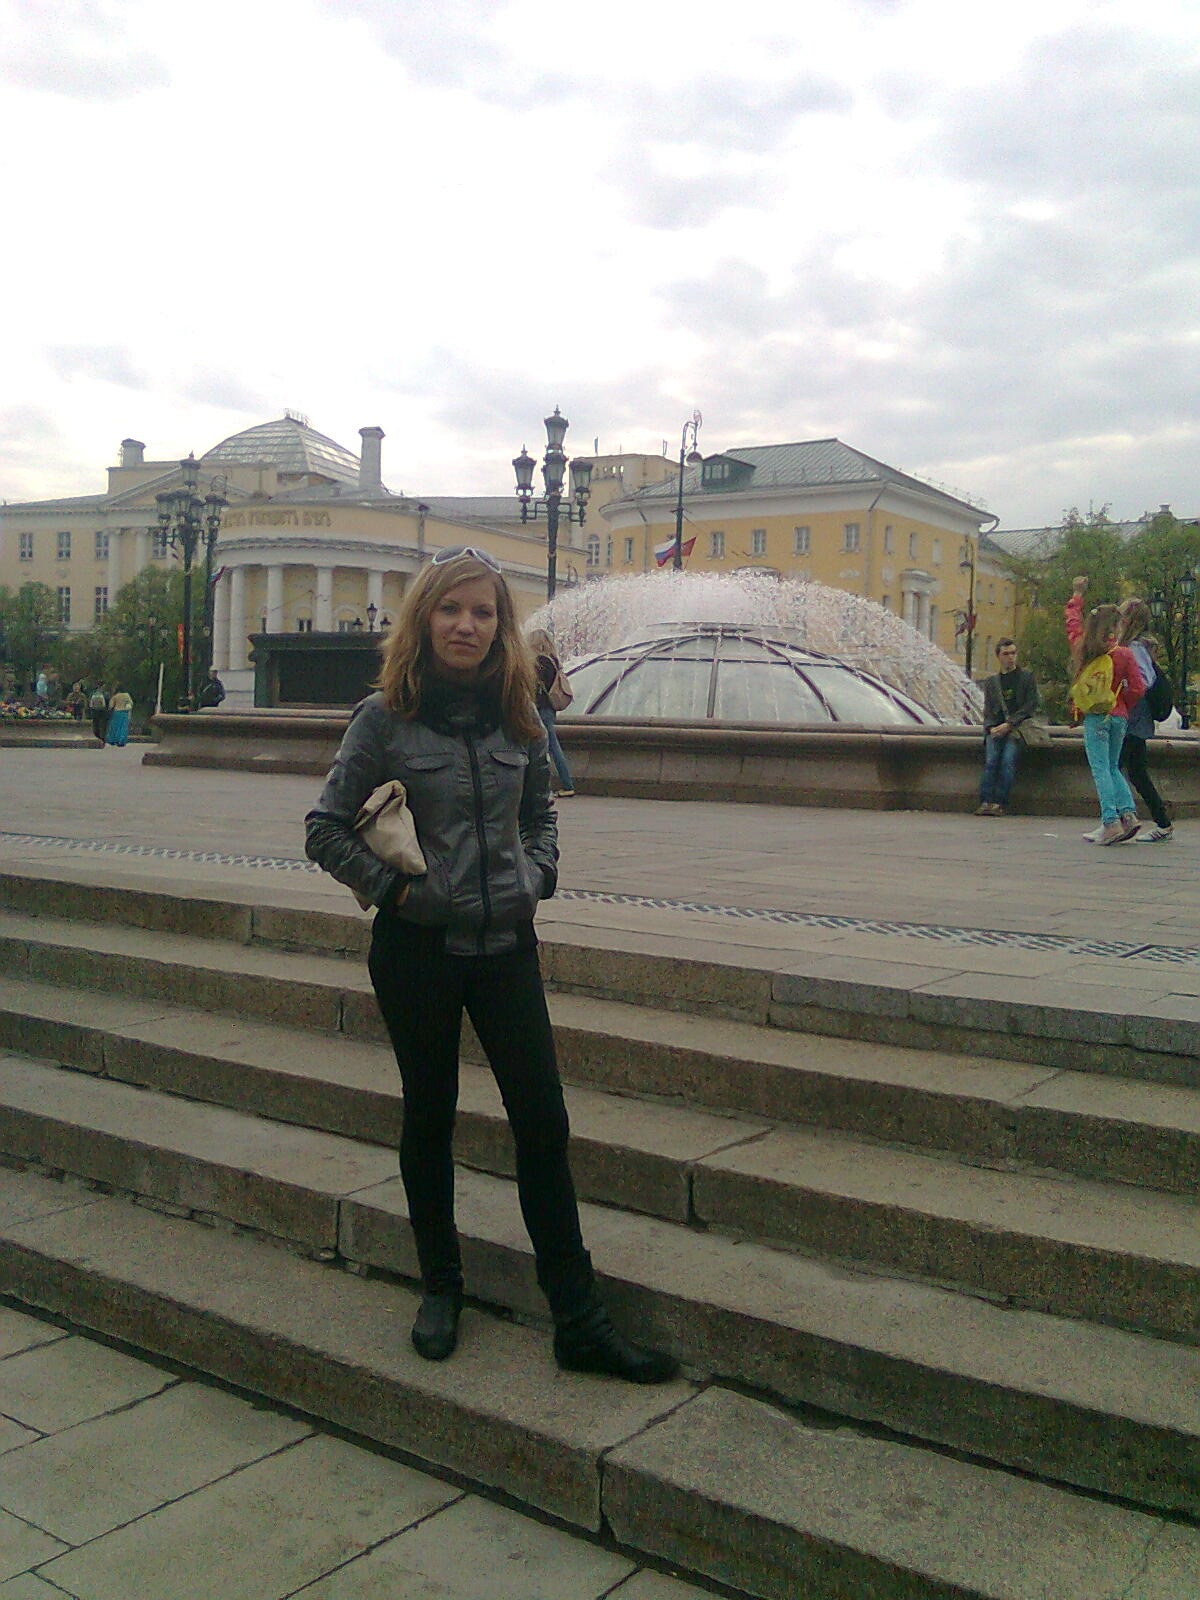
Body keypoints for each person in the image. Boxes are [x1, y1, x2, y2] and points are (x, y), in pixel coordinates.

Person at [305, 546, 676, 1383]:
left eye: (483, 612)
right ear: (424, 619)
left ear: (502, 626)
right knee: (429, 1117)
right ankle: (442, 1288)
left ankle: (579, 1319)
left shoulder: (519, 715)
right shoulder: (384, 719)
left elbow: (541, 816)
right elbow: (323, 827)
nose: (466, 625)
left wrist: (535, 877)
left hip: (507, 947)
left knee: (542, 1123)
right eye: (451, 609)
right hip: (418, 951)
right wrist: (399, 893)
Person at [1065, 577, 1144, 846]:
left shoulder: (1085, 649)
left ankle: (1110, 822)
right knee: (1113, 767)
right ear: (1115, 627)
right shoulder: (1124, 654)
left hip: (1095, 717)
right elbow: (1138, 688)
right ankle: (1129, 815)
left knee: (1100, 770)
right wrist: (1122, 704)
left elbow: (1072, 624)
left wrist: (1077, 596)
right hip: (1118, 716)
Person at [1114, 601, 1173, 842]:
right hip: (1138, 717)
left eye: (1121, 615)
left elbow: (1144, 681)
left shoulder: (1135, 647)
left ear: (1130, 620)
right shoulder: (1138, 646)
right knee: (1137, 772)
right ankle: (1163, 823)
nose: (1118, 620)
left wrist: (1123, 690)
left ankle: (1117, 821)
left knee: (1114, 768)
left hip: (1134, 717)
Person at [975, 638, 1039, 817]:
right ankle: (985, 801)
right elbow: (988, 709)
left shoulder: (1026, 677)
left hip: (1017, 730)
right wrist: (990, 728)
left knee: (1007, 762)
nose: (1010, 657)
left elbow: (1031, 705)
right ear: (998, 656)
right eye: (1006, 654)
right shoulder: (992, 682)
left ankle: (999, 803)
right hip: (996, 729)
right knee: (991, 762)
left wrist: (1009, 724)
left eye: (1013, 653)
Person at [528, 628, 575, 797]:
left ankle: (566, 785)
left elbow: (535, 689)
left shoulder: (540, 662)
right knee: (549, 747)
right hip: (549, 710)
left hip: (541, 709)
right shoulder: (553, 661)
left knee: (549, 748)